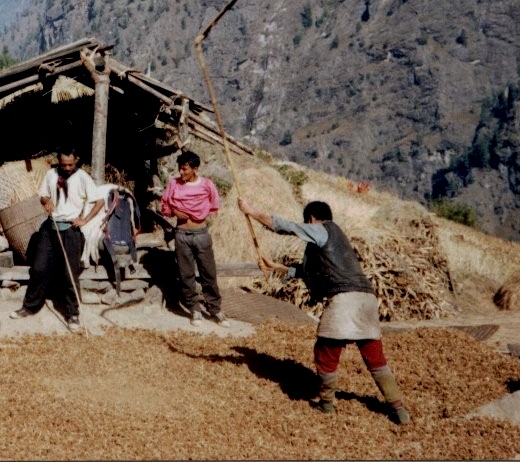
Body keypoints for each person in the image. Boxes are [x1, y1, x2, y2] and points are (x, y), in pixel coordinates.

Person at [237, 197, 412, 424]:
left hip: (345, 301)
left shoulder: (321, 229)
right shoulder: (333, 242)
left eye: (307, 223)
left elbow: (286, 226)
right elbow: (308, 273)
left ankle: (327, 403)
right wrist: (275, 268)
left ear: (311, 219)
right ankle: (398, 408)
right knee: (376, 359)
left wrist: (251, 211)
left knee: (326, 352)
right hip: (366, 300)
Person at [9, 147, 104, 333]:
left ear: (76, 160)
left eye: (70, 164)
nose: (67, 168)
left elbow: (99, 202)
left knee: (70, 274)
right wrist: (46, 201)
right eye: (63, 164)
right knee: (38, 269)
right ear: (58, 161)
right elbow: (43, 195)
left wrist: (84, 219)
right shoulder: (51, 174)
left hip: (71, 230)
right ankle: (30, 306)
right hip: (50, 227)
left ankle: (73, 314)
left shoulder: (83, 177)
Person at [160, 150, 225, 326]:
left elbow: (214, 205)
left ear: (195, 169)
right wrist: (174, 211)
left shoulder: (207, 185)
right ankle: (194, 309)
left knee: (208, 273)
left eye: (185, 169)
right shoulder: (174, 184)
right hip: (181, 235)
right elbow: (164, 205)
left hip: (201, 234)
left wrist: (198, 215)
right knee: (186, 274)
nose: (181, 173)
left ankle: (215, 308)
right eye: (180, 169)